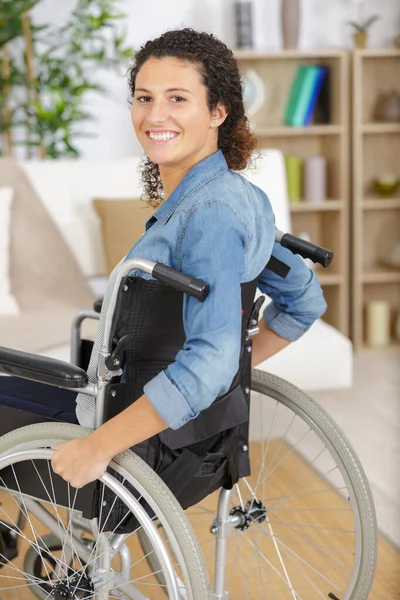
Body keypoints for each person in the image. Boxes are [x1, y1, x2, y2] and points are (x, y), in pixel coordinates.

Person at [50, 28, 327, 489]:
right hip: (194, 448)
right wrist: (229, 376)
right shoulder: (242, 200)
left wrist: (97, 447)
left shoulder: (209, 216)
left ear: (218, 111)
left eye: (177, 98)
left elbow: (213, 360)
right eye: (144, 98)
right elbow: (304, 301)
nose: (154, 115)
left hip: (123, 437)